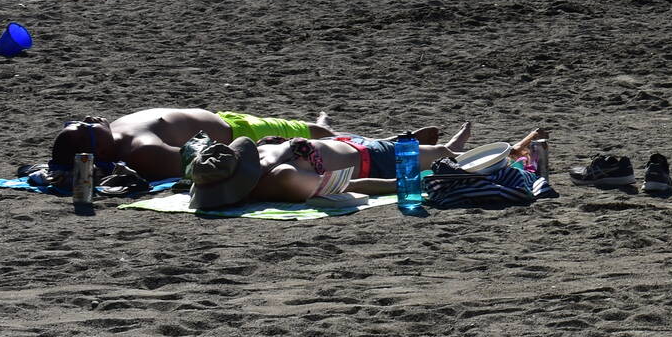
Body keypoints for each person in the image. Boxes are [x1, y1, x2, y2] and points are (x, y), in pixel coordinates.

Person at [186, 126, 541, 210]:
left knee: (441, 152)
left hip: (360, 147)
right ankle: (448, 145)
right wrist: (410, 185)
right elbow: (348, 187)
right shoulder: (281, 177)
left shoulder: (264, 162)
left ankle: (443, 144)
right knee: (446, 158)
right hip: (371, 157)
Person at [46, 109, 339, 185]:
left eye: (77, 121)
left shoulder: (113, 134)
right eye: (85, 127)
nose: (88, 118)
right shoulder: (143, 151)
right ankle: (325, 126)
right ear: (98, 151)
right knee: (323, 134)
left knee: (317, 130)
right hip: (239, 131)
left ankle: (322, 125)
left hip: (225, 118)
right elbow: (202, 162)